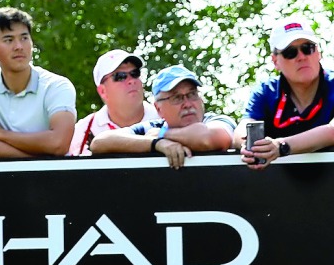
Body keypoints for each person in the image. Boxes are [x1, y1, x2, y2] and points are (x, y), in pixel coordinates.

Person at [0, 8, 76, 159]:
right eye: (9, 40)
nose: (19, 46)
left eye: (24, 38)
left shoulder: (57, 86)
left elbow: (59, 144)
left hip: (52, 180)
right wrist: (38, 159)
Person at [91, 65, 235, 168]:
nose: (187, 104)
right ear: (158, 108)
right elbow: (99, 143)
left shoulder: (216, 120)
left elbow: (207, 138)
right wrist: (155, 144)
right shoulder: (152, 128)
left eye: (192, 95)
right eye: (177, 98)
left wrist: (162, 135)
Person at [241, 17, 334, 169]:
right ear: (275, 61)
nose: (302, 57)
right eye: (290, 53)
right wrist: (248, 144)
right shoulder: (265, 91)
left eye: (308, 48)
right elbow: (244, 127)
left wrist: (281, 147)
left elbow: (332, 132)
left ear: (318, 53)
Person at [69, 49, 159, 156]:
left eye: (135, 73)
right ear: (103, 91)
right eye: (120, 76)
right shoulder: (81, 133)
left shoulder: (166, 119)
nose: (131, 80)